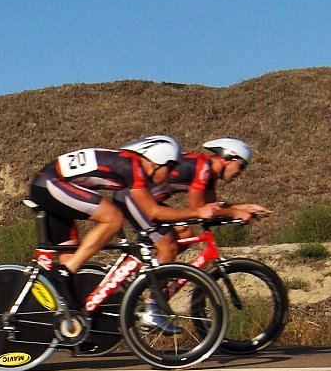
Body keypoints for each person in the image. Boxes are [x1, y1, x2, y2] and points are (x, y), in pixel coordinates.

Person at [28, 136, 220, 318]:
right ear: (156, 163)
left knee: (70, 264)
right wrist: (197, 213)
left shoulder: (131, 163)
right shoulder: (134, 168)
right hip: (50, 183)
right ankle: (63, 272)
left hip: (53, 184)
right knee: (113, 217)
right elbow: (153, 212)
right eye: (169, 169)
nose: (171, 175)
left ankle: (72, 326)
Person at [114, 137, 272, 262]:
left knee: (185, 235)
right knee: (168, 246)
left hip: (144, 199)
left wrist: (245, 208)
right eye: (241, 166)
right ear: (228, 158)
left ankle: (147, 274)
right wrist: (235, 213)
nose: (241, 173)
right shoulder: (203, 169)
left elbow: (211, 208)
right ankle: (151, 297)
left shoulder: (209, 174)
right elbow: (199, 209)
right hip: (131, 196)